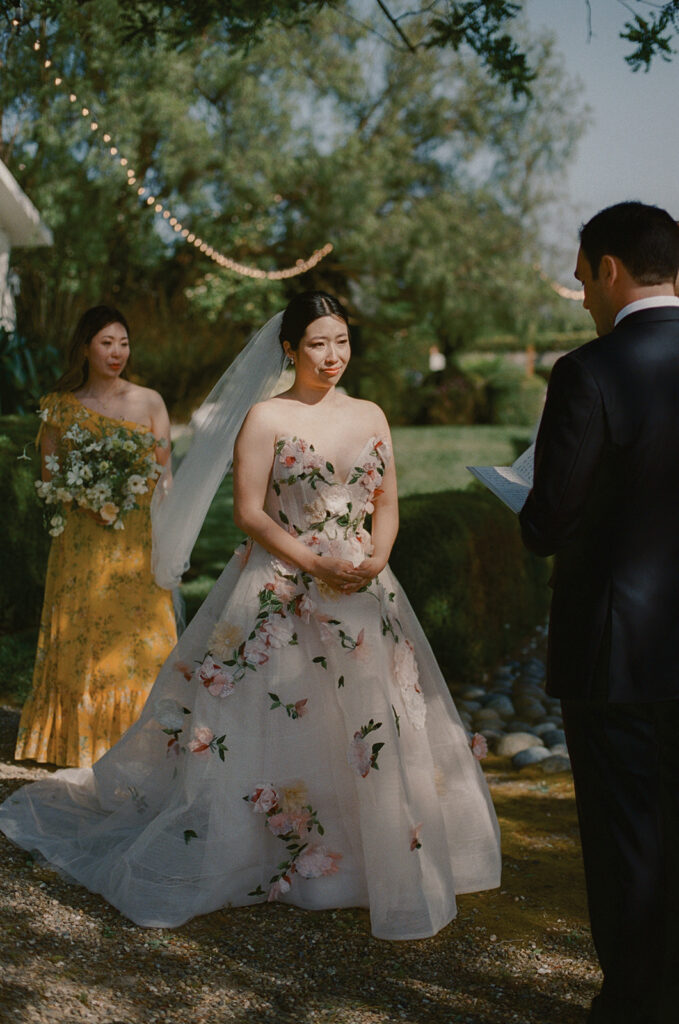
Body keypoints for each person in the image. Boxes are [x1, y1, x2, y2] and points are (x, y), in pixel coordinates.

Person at [0, 291, 500, 940]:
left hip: (364, 586)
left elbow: (387, 499)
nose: (332, 356)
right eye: (317, 344)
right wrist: (314, 564)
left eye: (341, 342)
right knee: (276, 719)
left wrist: (377, 555)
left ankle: (366, 857)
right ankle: (272, 850)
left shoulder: (372, 413)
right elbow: (249, 513)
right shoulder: (266, 417)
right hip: (282, 582)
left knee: (370, 720)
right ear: (289, 350)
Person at [519, 202, 679, 1024]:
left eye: (582, 278)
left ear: (608, 268)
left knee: (627, 845)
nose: (582, 297)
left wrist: (527, 504)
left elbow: (548, 523)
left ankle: (635, 1009)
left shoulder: (588, 372)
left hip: (618, 654)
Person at [16, 305, 177, 768]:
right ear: (86, 346)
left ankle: (145, 740)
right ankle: (75, 741)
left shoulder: (150, 402)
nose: (117, 352)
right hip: (81, 541)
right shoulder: (60, 406)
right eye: (106, 343)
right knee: (82, 636)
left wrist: (140, 502)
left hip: (135, 540)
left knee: (140, 639)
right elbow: (48, 475)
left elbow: (165, 475)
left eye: (123, 343)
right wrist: (88, 495)